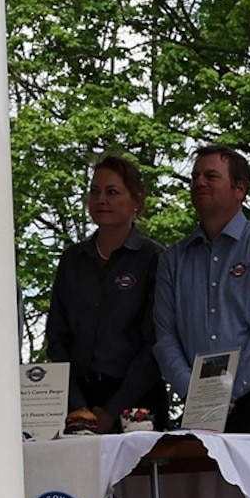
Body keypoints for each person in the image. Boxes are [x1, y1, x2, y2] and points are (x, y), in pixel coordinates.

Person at [151, 146, 250, 442]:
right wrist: (197, 394)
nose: (199, 183)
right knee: (201, 490)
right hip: (202, 410)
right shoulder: (173, 260)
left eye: (211, 176)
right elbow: (165, 336)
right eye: (195, 177)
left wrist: (226, 390)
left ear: (240, 189)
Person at [45, 155, 164, 433]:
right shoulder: (72, 260)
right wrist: (78, 406)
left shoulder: (153, 258)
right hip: (77, 400)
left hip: (137, 402)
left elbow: (156, 343)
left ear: (135, 201)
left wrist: (113, 410)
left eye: (112, 192)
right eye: (95, 192)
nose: (101, 200)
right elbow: (57, 338)